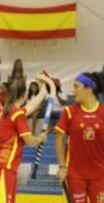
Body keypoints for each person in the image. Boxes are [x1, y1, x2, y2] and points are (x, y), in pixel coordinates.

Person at [0, 74, 55, 203]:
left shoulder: (7, 111)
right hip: (4, 168)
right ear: (24, 96)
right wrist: (41, 138)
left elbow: (30, 107)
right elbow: (29, 140)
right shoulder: (16, 114)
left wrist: (43, 92)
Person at [55, 72, 104, 203]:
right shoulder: (69, 112)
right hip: (75, 175)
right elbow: (59, 139)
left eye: (76, 86)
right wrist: (62, 167)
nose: (73, 90)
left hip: (100, 176)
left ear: (88, 89)